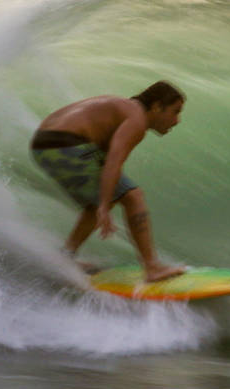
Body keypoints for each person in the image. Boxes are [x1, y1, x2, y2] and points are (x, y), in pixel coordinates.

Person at [31, 81, 188, 282]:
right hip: (63, 143)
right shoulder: (136, 120)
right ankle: (152, 267)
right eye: (175, 112)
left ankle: (66, 256)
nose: (177, 120)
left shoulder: (124, 109)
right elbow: (114, 161)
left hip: (44, 143)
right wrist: (104, 205)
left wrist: (102, 202)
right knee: (132, 196)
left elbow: (107, 164)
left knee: (121, 195)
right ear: (157, 106)